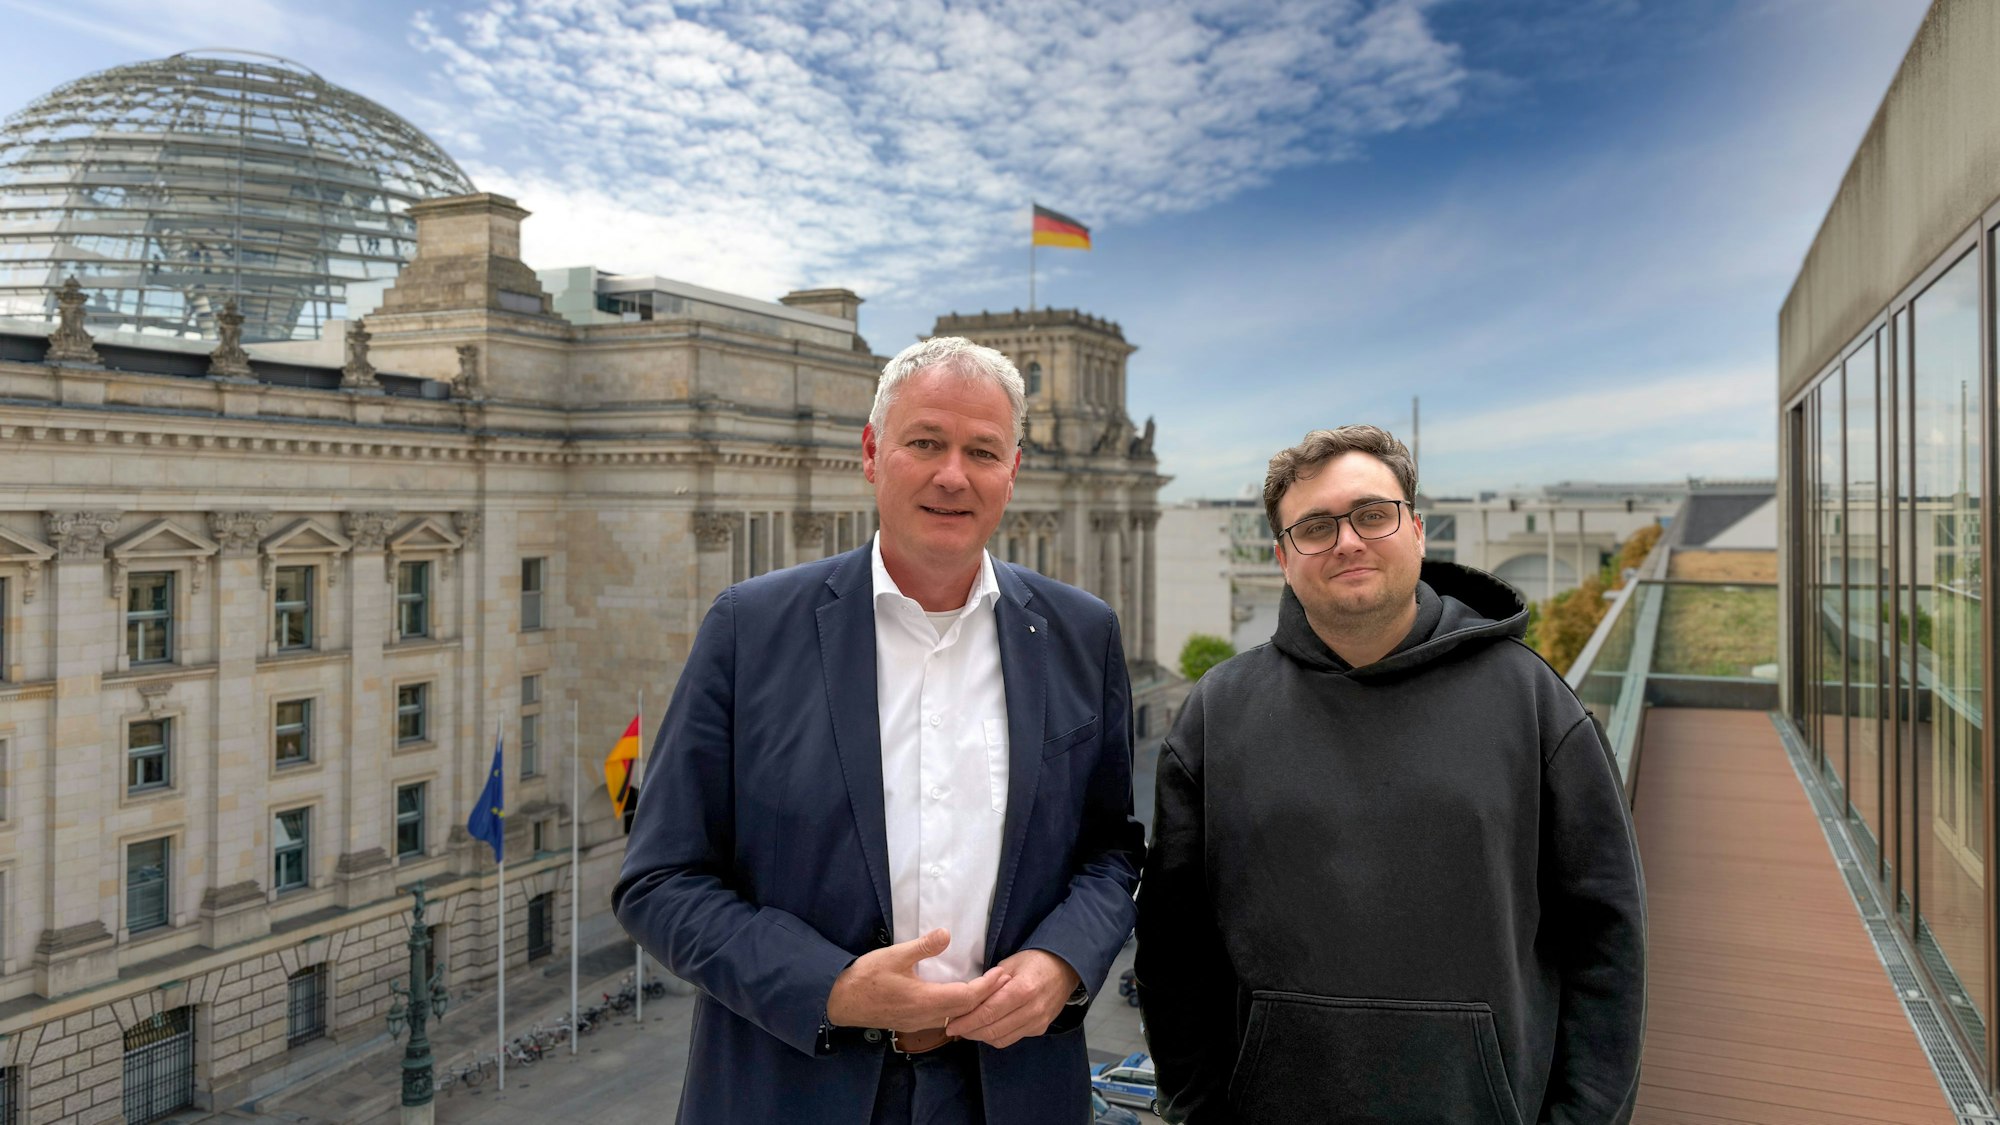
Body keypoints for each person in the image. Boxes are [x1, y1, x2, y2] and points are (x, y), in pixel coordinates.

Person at [614, 336, 1145, 1124]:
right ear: (872, 453)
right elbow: (659, 879)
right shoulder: (749, 629)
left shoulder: (1081, 632)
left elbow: (1111, 852)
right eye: (924, 442)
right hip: (794, 1086)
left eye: (982, 451)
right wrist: (827, 986)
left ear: (1013, 472)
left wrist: (1062, 962)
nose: (952, 475)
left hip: (1009, 1090)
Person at [1134, 425, 1645, 1124]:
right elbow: (1173, 950)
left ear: (1417, 530)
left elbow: (1607, 939)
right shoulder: (1217, 713)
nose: (1347, 541)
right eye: (1315, 526)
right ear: (1284, 557)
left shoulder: (1532, 703)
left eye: (1372, 514)